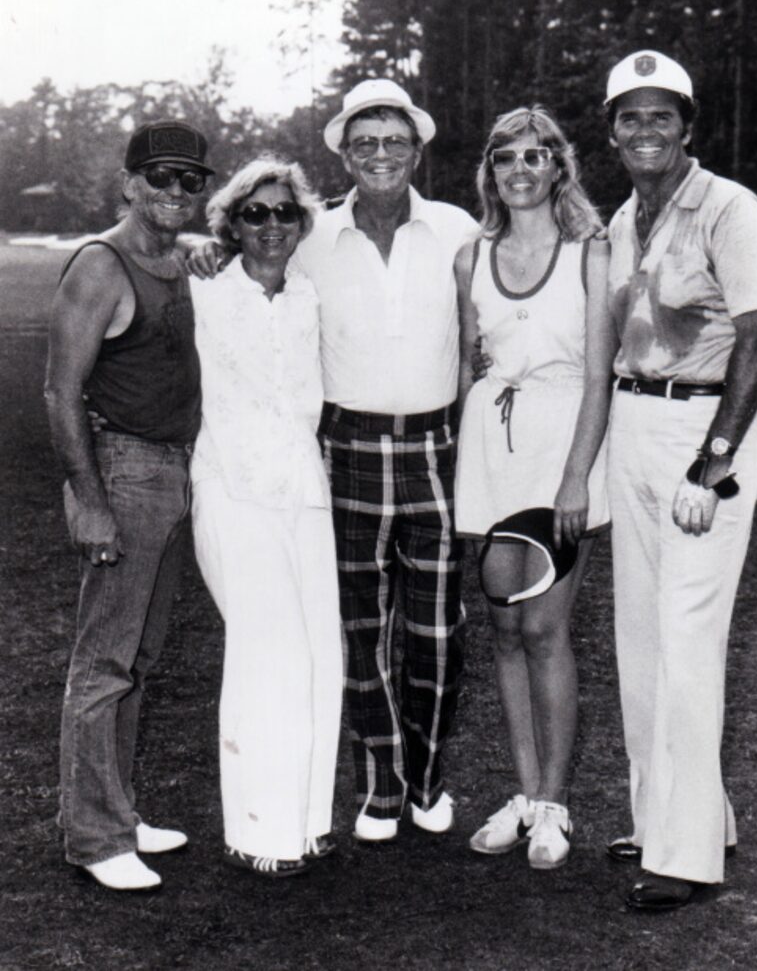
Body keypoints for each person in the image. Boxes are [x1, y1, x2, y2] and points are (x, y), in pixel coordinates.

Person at [602, 51, 757, 911]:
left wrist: (712, 464)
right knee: (640, 641)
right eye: (630, 117)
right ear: (612, 132)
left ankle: (687, 856)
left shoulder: (732, 210)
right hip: (636, 421)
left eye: (661, 115)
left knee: (685, 644)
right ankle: (671, 817)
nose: (646, 131)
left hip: (701, 432)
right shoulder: (623, 220)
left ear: (689, 125)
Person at [296, 79, 478, 841]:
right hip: (347, 452)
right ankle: (380, 782)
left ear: (416, 148)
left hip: (436, 448)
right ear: (343, 152)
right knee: (362, 629)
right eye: (364, 141)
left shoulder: (458, 229)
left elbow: (486, 330)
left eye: (393, 140)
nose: (380, 154)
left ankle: (428, 777)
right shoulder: (308, 237)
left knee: (437, 630)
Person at [44, 120, 212, 890]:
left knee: (139, 658)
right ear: (129, 183)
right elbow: (60, 390)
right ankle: (94, 835)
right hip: (125, 469)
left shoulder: (176, 261)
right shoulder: (100, 265)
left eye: (191, 179)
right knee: (104, 659)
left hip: (177, 471)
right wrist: (89, 497)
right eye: (161, 177)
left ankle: (118, 808)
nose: (176, 191)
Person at [453, 106, 614, 870]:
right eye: (506, 158)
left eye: (535, 155)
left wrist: (576, 476)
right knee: (505, 631)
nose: (520, 169)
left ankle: (554, 801)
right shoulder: (470, 257)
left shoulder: (591, 251)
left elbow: (598, 375)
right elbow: (467, 364)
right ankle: (522, 794)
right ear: (490, 171)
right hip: (492, 449)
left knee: (548, 628)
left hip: (561, 450)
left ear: (558, 167)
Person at [189, 155, 342, 877]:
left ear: (302, 223)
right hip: (232, 490)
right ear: (231, 225)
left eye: (285, 213)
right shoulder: (203, 293)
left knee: (318, 654)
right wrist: (192, 249)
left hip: (302, 490)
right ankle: (258, 828)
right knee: (266, 653)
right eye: (256, 213)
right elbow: (136, 246)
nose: (272, 226)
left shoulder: (312, 294)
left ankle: (308, 819)